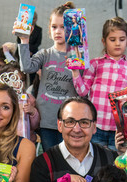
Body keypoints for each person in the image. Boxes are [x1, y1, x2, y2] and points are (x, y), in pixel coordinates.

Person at [72, 17, 127, 150]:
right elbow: (82, 91)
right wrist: (76, 73)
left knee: (115, 165)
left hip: (119, 131)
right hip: (96, 127)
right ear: (104, 41)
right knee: (96, 163)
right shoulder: (95, 64)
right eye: (112, 39)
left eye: (122, 39)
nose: (117, 43)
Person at [18, 1, 78, 150]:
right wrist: (24, 40)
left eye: (63, 27)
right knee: (50, 159)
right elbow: (26, 67)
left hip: (70, 122)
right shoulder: (45, 54)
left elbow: (83, 88)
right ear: (49, 30)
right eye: (54, 27)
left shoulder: (78, 57)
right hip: (46, 121)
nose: (58, 31)